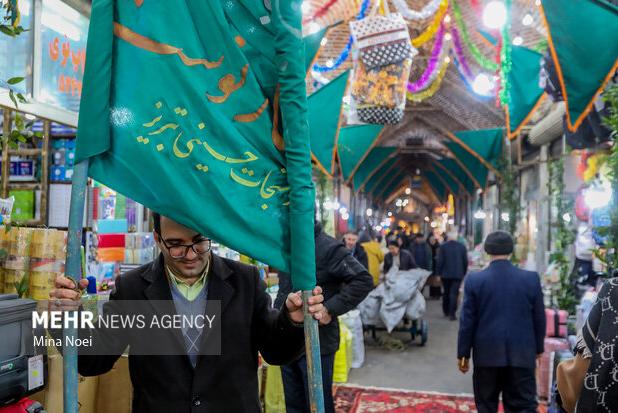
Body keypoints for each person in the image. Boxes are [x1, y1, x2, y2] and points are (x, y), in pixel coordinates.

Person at [49, 213, 325, 412]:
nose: (190, 254)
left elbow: (275, 351)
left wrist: (292, 321)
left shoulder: (245, 281)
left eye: (198, 242)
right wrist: (64, 318)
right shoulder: (133, 288)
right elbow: (93, 359)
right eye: (176, 244)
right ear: (158, 239)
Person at [275, 222, 373, 413]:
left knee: (318, 404)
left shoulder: (328, 247)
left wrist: (329, 309)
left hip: (318, 340)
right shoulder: (287, 246)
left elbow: (363, 280)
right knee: (293, 404)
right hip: (287, 337)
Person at [457, 231, 545, 413]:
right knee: (523, 406)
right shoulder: (530, 279)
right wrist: (537, 349)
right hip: (521, 354)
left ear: (487, 251)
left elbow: (467, 322)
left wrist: (463, 353)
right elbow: (539, 317)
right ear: (511, 251)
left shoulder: (475, 280)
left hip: (487, 355)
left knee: (486, 405)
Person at [437, 230, 468, 320]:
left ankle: (446, 310)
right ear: (456, 237)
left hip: (445, 274)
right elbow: (465, 261)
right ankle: (452, 313)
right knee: (454, 293)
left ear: (448, 237)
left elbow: (440, 261)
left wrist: (438, 273)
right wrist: (464, 272)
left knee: (446, 292)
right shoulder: (462, 247)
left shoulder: (443, 247)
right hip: (458, 274)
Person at [427, 233, 442, 299]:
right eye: (430, 240)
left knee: (436, 281)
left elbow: (439, 256)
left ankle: (437, 294)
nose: (431, 241)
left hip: (436, 265)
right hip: (431, 265)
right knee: (431, 281)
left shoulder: (438, 246)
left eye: (433, 240)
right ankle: (432, 294)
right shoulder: (429, 246)